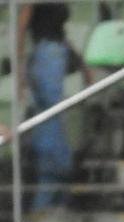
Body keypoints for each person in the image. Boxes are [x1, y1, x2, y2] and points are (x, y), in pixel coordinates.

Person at [16, 2, 79, 210]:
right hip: (46, 56)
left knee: (53, 119)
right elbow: (22, 28)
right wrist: (20, 70)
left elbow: (58, 32)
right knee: (50, 118)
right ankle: (47, 194)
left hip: (56, 52)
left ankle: (54, 195)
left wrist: (82, 63)